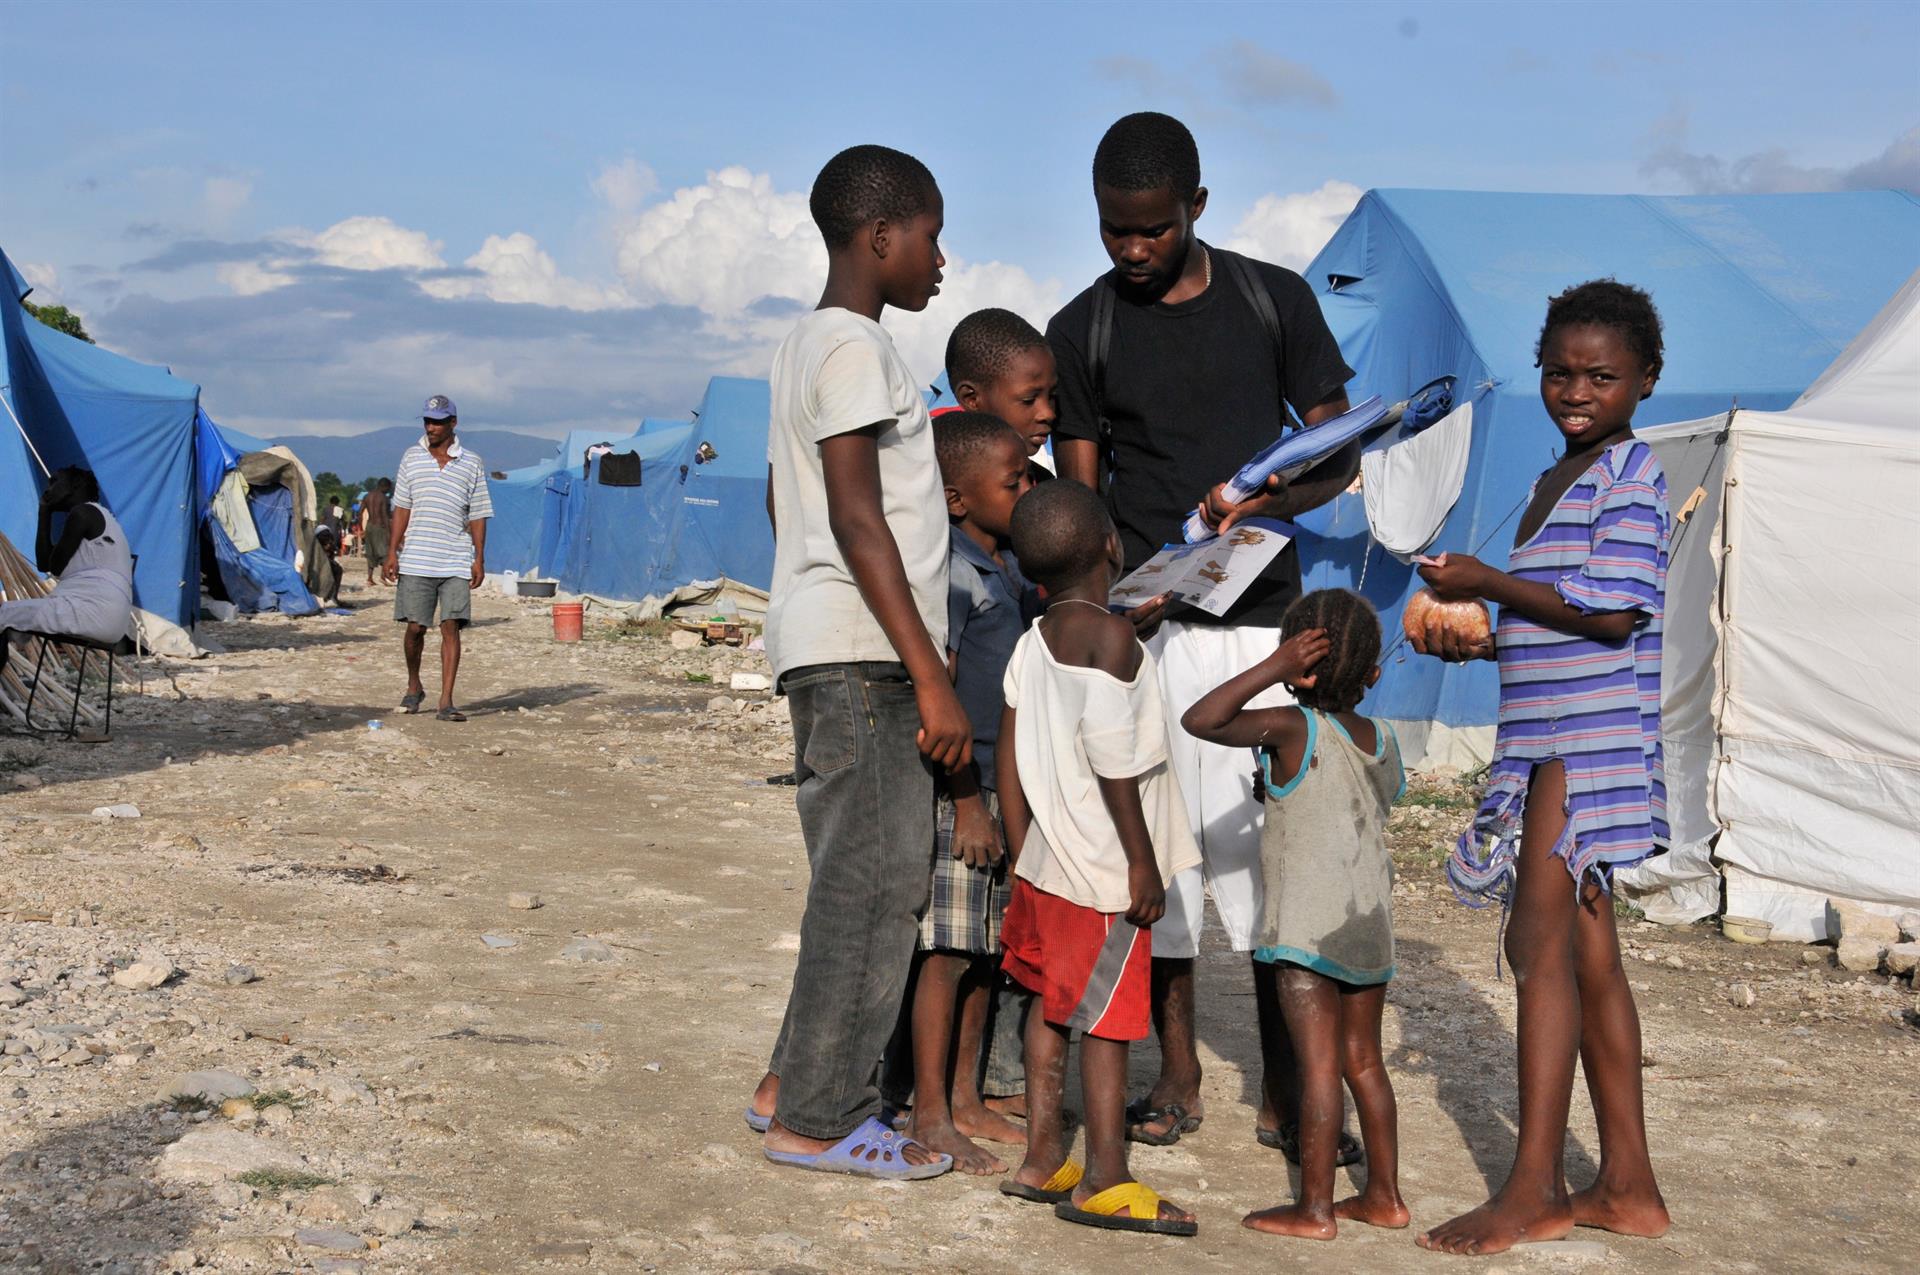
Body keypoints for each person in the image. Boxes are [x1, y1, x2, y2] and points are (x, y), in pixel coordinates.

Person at [1047, 110, 1361, 1154]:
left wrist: (1265, 506)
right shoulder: (1082, 329)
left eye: (1154, 228)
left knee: (1265, 864)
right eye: (1114, 230)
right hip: (1149, 634)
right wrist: (1105, 614)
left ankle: (1285, 1087)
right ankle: (1176, 1075)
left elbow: (1339, 456)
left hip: (1259, 629)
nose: (1133, 250)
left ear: (1197, 207)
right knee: (1163, 861)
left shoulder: (1276, 302)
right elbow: (1081, 502)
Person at [1409, 279, 1673, 1255]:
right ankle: (1629, 1187)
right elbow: (1558, 620)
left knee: (1537, 946)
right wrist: (1480, 637)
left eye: (1601, 376)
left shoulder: (1630, 476)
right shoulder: (1557, 477)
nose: (1578, 391)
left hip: (1583, 743)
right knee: (1589, 957)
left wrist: (1486, 579)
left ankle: (1533, 1189)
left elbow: (1611, 615)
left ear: (1646, 378)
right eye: (1560, 373)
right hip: (1553, 732)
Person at [743, 144, 966, 1182]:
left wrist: (808, 595)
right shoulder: (857, 348)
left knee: (849, 874)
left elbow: (784, 502)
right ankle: (822, 1117)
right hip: (868, 654)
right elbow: (856, 514)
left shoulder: (802, 346)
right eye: (930, 237)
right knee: (878, 884)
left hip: (825, 638)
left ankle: (788, 1083)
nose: (940, 259)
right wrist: (931, 673)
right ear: (881, 238)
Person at [995, 480, 1201, 1236]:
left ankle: (1042, 1156)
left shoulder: (1032, 640)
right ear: (1113, 547)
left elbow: (1009, 755)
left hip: (1046, 864)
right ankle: (1106, 1178)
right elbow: (1117, 765)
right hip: (1105, 872)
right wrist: (1141, 865)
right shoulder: (1115, 644)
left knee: (1050, 1009)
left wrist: (1023, 848)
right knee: (1108, 1022)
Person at [1182, 589, 1411, 1241]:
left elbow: (1202, 719)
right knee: (1363, 1060)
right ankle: (1384, 1197)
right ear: (1374, 673)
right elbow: (1371, 792)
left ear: (1296, 665)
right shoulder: (1383, 737)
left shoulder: (1289, 727)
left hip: (1305, 930)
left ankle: (1314, 1209)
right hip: (1368, 922)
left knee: (1316, 1067)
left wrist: (1271, 668)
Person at [882, 412, 1037, 1175]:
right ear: (955, 498)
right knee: (945, 952)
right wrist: (969, 799)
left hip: (998, 790)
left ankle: (968, 1096)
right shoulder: (950, 570)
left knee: (984, 953)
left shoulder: (1005, 567)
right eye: (1013, 482)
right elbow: (938, 692)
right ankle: (931, 1110)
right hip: (962, 790)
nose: (1027, 491)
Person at [383, 394, 492, 723]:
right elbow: (402, 507)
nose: (431, 427)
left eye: (438, 422)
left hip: (456, 558)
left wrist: (479, 558)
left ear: (453, 423)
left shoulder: (471, 462)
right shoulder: (411, 457)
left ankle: (446, 701)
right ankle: (414, 685)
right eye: (427, 421)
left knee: (451, 627)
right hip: (417, 557)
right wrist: (392, 552)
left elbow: (478, 513)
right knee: (415, 628)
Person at [0, 467, 132, 674]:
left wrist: (46, 509)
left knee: (4, 613)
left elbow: (54, 567)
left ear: (75, 485)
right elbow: (44, 564)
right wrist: (44, 512)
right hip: (107, 617)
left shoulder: (83, 513)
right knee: (8, 616)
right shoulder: (103, 517)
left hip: (91, 612)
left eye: (54, 482)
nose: (48, 489)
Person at [944, 308, 1059, 473]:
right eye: (1028, 400)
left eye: (1052, 396)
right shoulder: (935, 480)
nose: (1048, 413)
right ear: (972, 399)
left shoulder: (1042, 480)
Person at [361, 479, 393, 586]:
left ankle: (369, 578)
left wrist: (361, 529)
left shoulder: (367, 496)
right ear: (385, 487)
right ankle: (383, 577)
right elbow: (385, 516)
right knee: (385, 552)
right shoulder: (384, 498)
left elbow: (360, 513)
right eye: (388, 488)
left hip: (369, 526)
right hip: (380, 527)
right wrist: (389, 532)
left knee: (370, 552)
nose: (388, 490)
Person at [306, 524, 342, 607]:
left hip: (323, 566)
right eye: (326, 543)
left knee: (337, 569)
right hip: (315, 568)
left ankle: (332, 597)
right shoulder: (315, 544)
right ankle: (331, 597)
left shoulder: (326, 542)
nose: (328, 545)